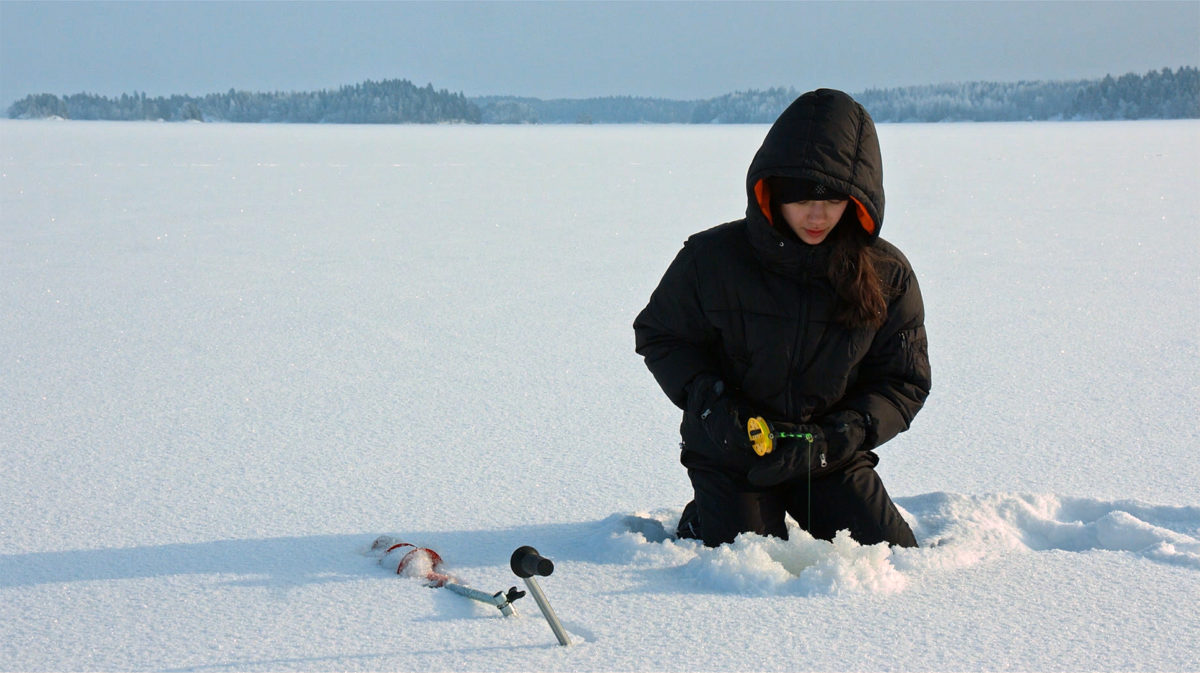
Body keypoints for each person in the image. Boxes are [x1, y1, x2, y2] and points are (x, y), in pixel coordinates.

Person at [633, 89, 929, 548]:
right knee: (751, 555)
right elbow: (661, 334)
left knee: (890, 554)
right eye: (799, 197)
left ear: (858, 198)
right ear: (771, 190)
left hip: (828, 456)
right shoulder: (712, 259)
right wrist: (711, 403)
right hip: (734, 451)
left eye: (834, 198)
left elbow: (903, 380)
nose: (817, 214)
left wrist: (845, 433)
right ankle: (708, 514)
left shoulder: (887, 274)